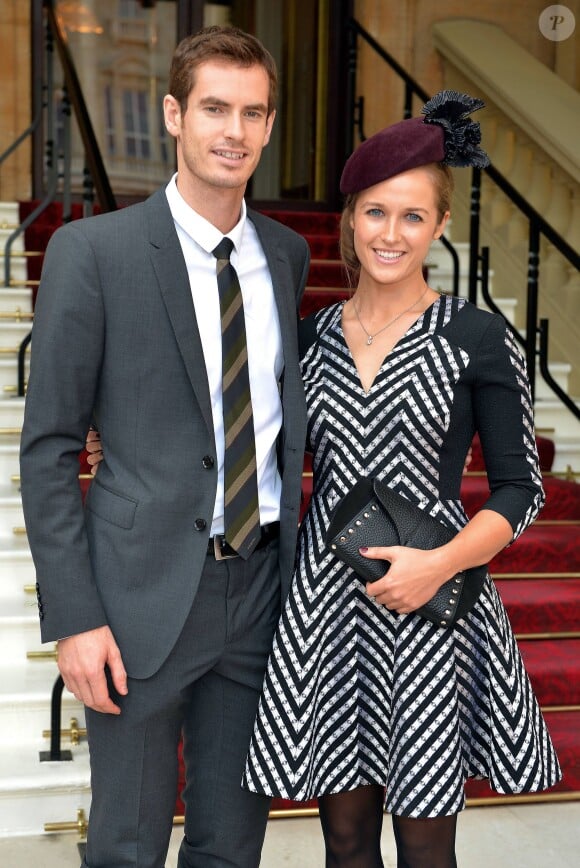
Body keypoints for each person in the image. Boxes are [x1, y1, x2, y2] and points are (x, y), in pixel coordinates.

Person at [239, 92, 561, 866]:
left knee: (425, 844)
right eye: (376, 213)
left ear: (441, 227)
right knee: (344, 841)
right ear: (351, 218)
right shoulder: (308, 335)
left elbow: (522, 488)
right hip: (326, 600)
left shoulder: (478, 336)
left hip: (431, 604)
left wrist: (441, 564)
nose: (391, 234)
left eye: (413, 217)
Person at [20, 25, 310, 868]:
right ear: (174, 114)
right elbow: (47, 449)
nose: (235, 131)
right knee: (126, 845)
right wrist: (75, 617)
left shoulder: (285, 256)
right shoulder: (93, 252)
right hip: (139, 598)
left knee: (231, 845)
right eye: (215, 107)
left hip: (261, 592)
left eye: (254, 113)